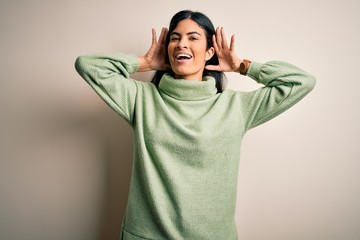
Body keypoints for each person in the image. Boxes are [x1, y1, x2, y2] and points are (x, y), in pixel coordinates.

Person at [75, 9, 315, 240]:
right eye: (175, 38)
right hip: (147, 235)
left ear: (210, 51)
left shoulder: (236, 108)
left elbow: (301, 82)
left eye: (193, 37)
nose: (181, 44)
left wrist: (242, 66)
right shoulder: (142, 98)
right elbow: (88, 65)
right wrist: (145, 62)